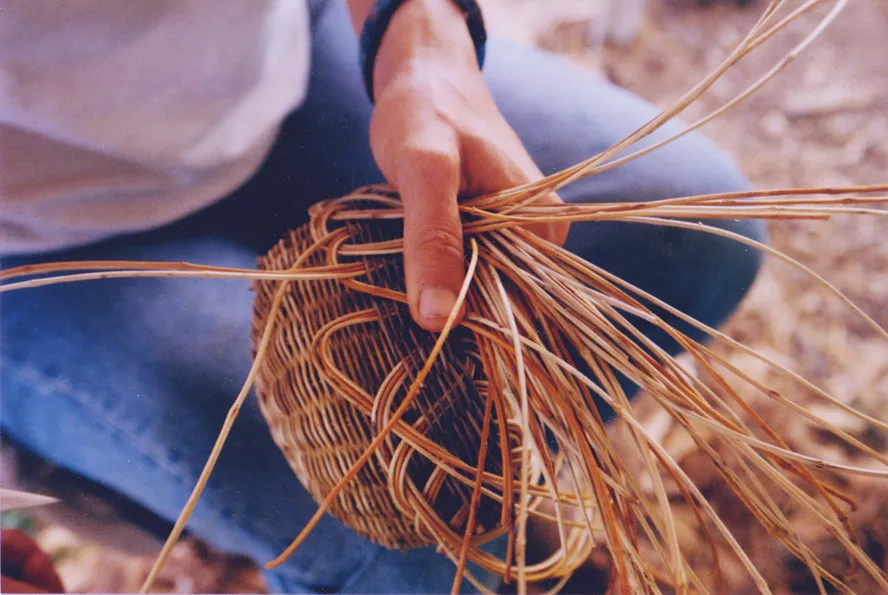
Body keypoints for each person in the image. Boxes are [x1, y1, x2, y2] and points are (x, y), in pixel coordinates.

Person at [0, 0, 765, 592]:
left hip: (282, 76)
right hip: (39, 250)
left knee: (688, 225)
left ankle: (493, 500)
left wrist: (420, 44)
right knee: (388, 531)